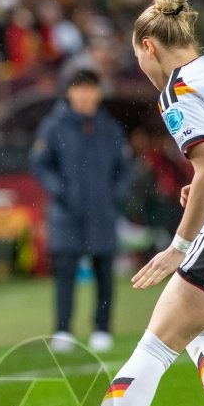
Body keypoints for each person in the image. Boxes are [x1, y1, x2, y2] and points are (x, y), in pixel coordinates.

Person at [20, 0, 204, 406]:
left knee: (155, 346)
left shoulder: (180, 88)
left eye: (136, 56)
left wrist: (179, 246)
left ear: (148, 46)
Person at [30, 68, 132, 353]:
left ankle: (102, 328)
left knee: (104, 272)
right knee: (64, 272)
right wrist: (60, 191)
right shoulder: (54, 126)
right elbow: (40, 163)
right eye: (79, 88)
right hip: (66, 215)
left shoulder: (110, 128)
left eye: (90, 88)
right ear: (69, 92)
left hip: (102, 213)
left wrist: (115, 195)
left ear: (99, 92)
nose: (85, 94)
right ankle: (63, 329)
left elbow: (124, 169)